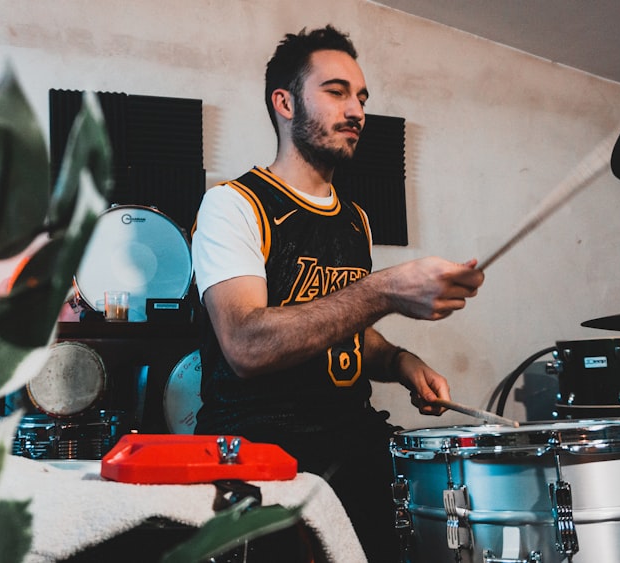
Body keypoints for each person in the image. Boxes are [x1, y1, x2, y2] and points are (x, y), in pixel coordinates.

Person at [191, 25, 484, 561]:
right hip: (260, 454)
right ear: (284, 102)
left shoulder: (354, 221)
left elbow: (342, 328)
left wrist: (398, 361)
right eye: (336, 91)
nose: (357, 110)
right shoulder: (232, 206)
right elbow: (246, 345)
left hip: (352, 443)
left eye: (362, 97)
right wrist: (386, 289)